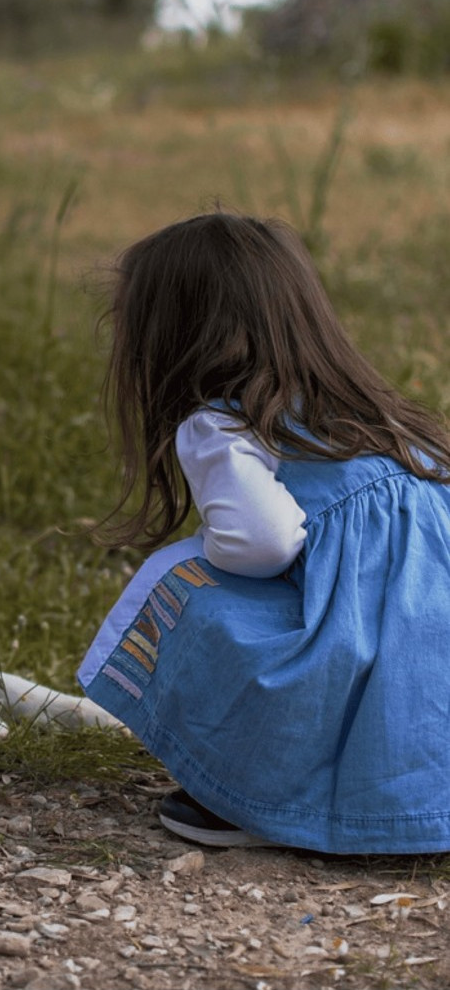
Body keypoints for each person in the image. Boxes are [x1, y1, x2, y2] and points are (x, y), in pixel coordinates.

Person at [77, 211, 450, 854]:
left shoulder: (223, 424)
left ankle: (254, 796)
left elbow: (265, 541)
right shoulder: (376, 418)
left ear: (173, 339)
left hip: (355, 648)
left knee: (185, 582)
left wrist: (207, 552)